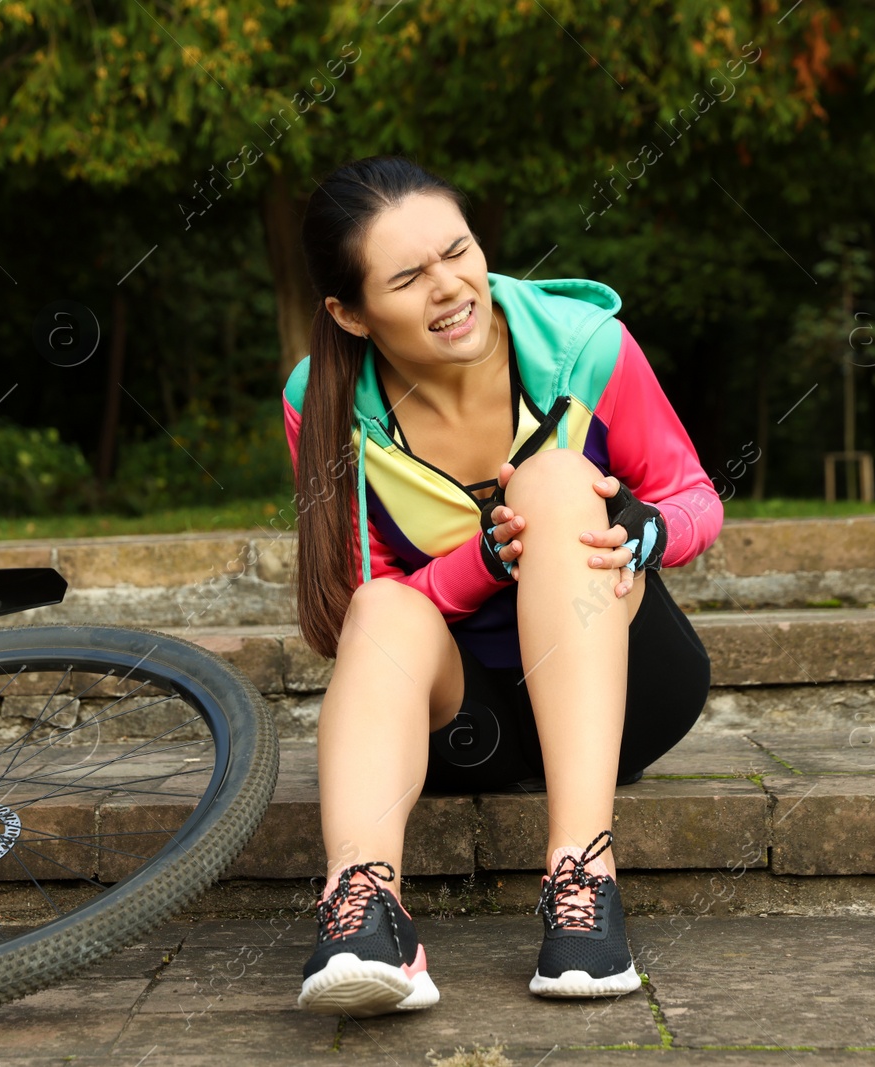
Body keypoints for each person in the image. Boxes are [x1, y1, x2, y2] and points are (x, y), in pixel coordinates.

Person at [281, 156, 721, 1018]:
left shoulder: (582, 345)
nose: (451, 288)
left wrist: (653, 530)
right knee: (380, 604)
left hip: (626, 692)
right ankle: (368, 913)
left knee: (555, 483)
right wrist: (482, 562)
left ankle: (584, 878)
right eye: (407, 277)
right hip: (461, 723)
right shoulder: (323, 399)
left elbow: (694, 496)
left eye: (459, 251)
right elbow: (351, 601)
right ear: (350, 312)